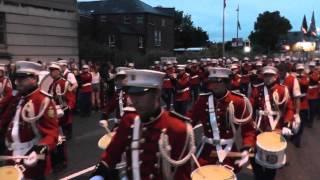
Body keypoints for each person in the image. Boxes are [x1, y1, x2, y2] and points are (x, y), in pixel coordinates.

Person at [90, 69, 194, 180]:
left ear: (157, 93)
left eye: (141, 94)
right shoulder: (129, 121)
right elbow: (111, 155)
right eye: (132, 94)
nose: (134, 100)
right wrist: (99, 174)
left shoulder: (178, 128)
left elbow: (181, 175)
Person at [187, 67, 256, 173]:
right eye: (211, 81)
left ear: (226, 82)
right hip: (207, 150)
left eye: (217, 81)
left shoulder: (238, 101)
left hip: (228, 151)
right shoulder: (202, 100)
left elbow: (248, 129)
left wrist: (247, 147)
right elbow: (189, 122)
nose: (213, 85)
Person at [0, 61, 59, 179]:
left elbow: (52, 133)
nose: (18, 82)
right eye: (17, 78)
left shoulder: (42, 100)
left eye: (23, 78)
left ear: (35, 78)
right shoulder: (16, 97)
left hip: (31, 156)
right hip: (11, 155)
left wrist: (40, 149)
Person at [250, 66, 295, 180]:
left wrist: (287, 124)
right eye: (266, 75)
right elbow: (250, 107)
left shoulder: (283, 89)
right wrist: (250, 121)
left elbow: (289, 108)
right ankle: (259, 176)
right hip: (259, 126)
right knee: (253, 154)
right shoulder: (257, 89)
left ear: (276, 76)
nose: (268, 77)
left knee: (272, 157)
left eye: (270, 75)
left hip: (276, 127)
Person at [48, 63, 74, 170]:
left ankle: (62, 161)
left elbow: (71, 99)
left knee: (61, 139)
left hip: (63, 114)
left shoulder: (65, 83)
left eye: (54, 70)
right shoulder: (51, 84)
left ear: (58, 71)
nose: (51, 73)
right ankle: (55, 160)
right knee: (55, 138)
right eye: (51, 71)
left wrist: (67, 108)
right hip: (53, 114)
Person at [292, 63, 309, 147]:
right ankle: (293, 134)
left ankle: (298, 139)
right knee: (292, 121)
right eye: (299, 70)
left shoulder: (305, 77)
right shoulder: (292, 77)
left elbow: (305, 84)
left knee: (301, 123)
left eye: (301, 70)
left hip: (303, 103)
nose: (300, 71)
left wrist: (298, 79)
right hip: (293, 103)